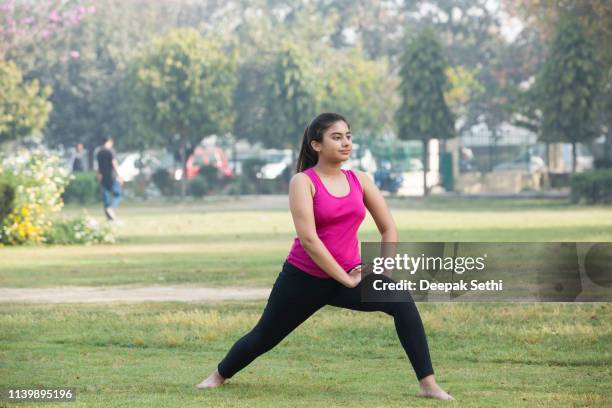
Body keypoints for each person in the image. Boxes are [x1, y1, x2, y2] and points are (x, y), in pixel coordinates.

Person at [196, 113, 454, 401]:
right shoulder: (303, 182)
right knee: (263, 337)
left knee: (401, 300)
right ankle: (218, 376)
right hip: (304, 279)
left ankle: (428, 385)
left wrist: (385, 270)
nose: (345, 143)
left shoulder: (360, 180)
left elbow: (388, 228)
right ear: (316, 145)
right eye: (336, 137)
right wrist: (346, 278)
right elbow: (309, 240)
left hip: (349, 276)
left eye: (348, 136)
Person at [96, 136, 123, 221]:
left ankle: (109, 217)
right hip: (112, 176)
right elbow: (113, 163)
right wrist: (119, 175)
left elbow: (98, 166)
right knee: (118, 194)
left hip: (103, 176)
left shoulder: (99, 153)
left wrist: (98, 175)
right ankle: (111, 208)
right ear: (108, 142)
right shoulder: (110, 151)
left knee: (106, 196)